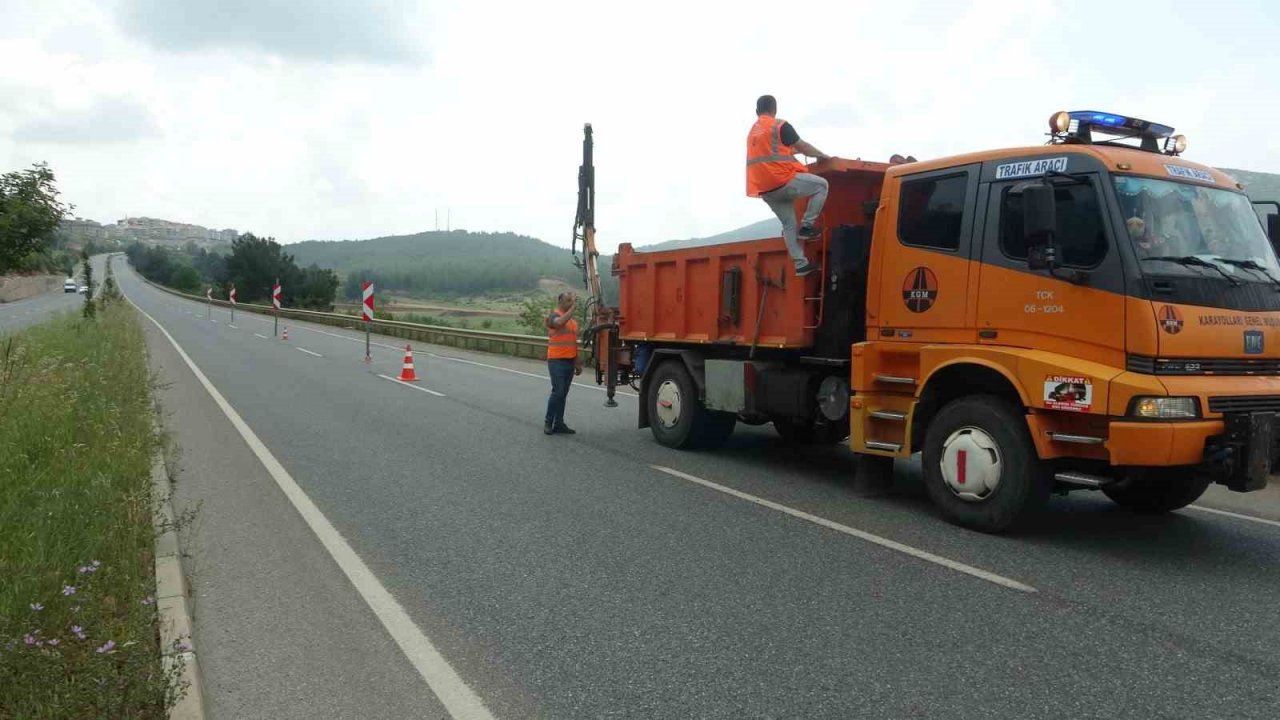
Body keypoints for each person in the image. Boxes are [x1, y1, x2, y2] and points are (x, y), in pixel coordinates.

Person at [746, 95, 833, 277]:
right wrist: (822, 155)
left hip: (764, 189)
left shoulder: (753, 133)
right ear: (775, 109)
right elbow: (803, 146)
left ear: (756, 111)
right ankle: (807, 226)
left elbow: (776, 151)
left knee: (788, 223)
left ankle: (801, 264)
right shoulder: (779, 125)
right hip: (782, 180)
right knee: (821, 186)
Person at [544, 291, 582, 435]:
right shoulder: (553, 316)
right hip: (556, 360)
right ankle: (548, 422)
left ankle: (559, 423)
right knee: (558, 391)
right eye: (568, 301)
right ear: (560, 301)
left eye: (572, 301)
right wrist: (573, 308)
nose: (571, 303)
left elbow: (573, 342)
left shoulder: (572, 322)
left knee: (563, 394)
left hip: (569, 361)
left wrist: (577, 362)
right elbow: (559, 323)